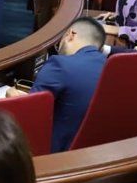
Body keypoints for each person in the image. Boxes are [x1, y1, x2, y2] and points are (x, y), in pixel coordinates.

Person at [7, 18, 108, 152]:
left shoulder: (60, 64)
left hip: (55, 156)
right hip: (95, 153)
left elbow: (31, 116)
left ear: (71, 34)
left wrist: (14, 99)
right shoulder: (111, 67)